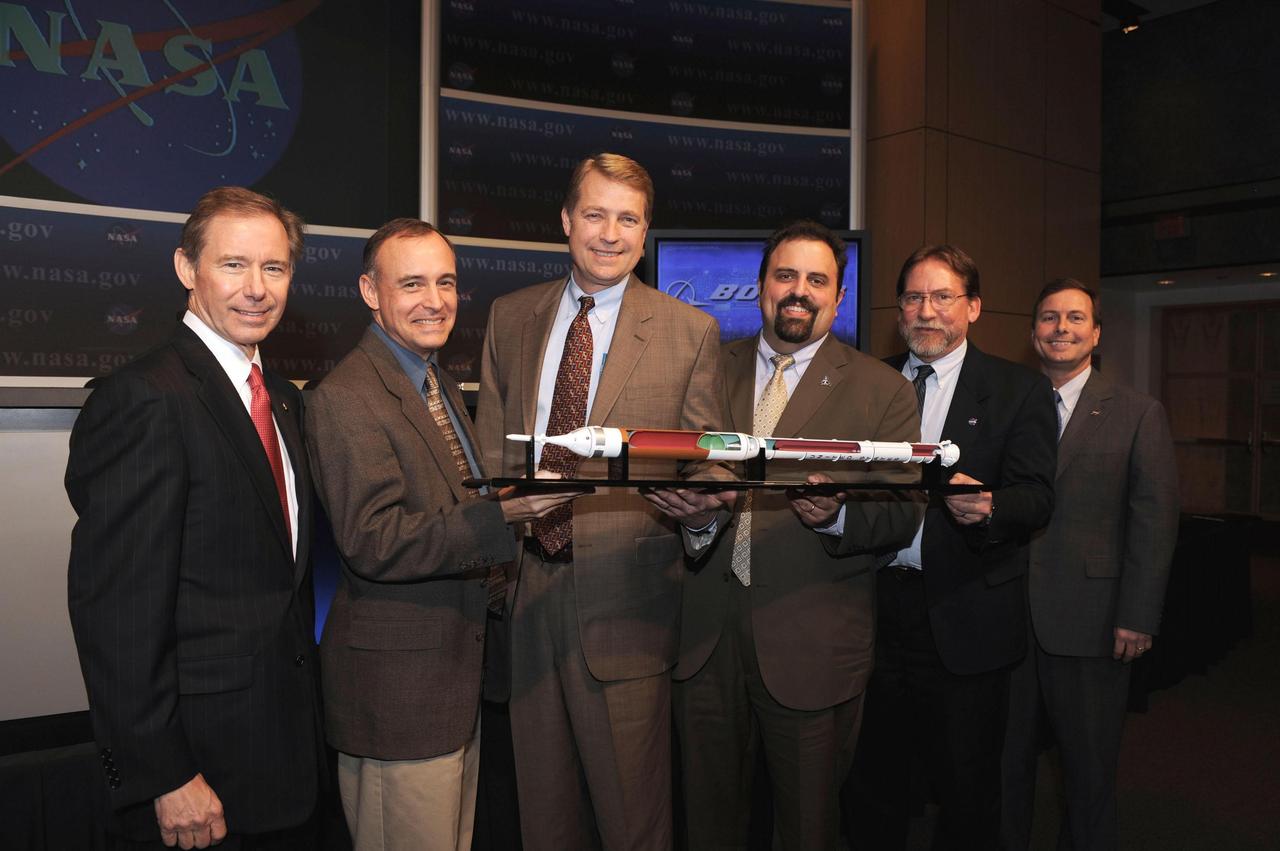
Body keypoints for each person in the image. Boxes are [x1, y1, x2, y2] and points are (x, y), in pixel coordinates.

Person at [473, 153, 733, 850]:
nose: (610, 233)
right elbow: (494, 457)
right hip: (527, 606)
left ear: (646, 233)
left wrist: (704, 512)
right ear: (565, 220)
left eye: (628, 218)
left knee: (633, 826)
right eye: (595, 214)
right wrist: (496, 578)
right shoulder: (509, 317)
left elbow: (712, 473)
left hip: (629, 611)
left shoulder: (690, 332)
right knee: (544, 823)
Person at [304, 219, 583, 851]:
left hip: (451, 684)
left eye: (446, 282)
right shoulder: (346, 396)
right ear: (370, 292)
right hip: (398, 700)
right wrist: (506, 515)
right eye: (412, 284)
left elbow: (449, 508)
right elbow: (373, 540)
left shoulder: (438, 383)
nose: (435, 300)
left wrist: (506, 500)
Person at [66, 187, 323, 849]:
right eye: (233, 265)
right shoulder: (145, 399)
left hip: (285, 766)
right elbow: (116, 614)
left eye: (275, 267)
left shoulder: (285, 402)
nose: (257, 288)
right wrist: (164, 773)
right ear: (187, 269)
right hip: (197, 780)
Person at [672, 221, 924, 850]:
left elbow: (902, 511)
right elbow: (678, 472)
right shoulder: (705, 369)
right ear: (760, 287)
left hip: (813, 645)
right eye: (786, 276)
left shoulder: (882, 389)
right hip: (704, 638)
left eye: (818, 280)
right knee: (706, 824)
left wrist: (836, 514)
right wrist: (697, 515)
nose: (799, 291)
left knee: (808, 829)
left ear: (839, 298)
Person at [847, 244, 1057, 850]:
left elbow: (1039, 496)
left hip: (964, 620)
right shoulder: (869, 381)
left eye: (943, 297)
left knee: (966, 795)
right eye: (913, 297)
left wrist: (990, 506)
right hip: (873, 612)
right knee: (872, 789)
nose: (926, 311)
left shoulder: (1017, 390)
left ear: (974, 308)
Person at [1001, 279, 1179, 851]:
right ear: (1033, 334)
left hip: (1094, 620)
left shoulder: (1137, 413)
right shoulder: (1007, 406)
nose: (1061, 328)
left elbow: (1154, 522)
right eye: (1049, 318)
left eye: (1075, 318)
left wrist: (1138, 616)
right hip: (1007, 621)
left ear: (1096, 334)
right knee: (1004, 772)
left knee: (1089, 773)